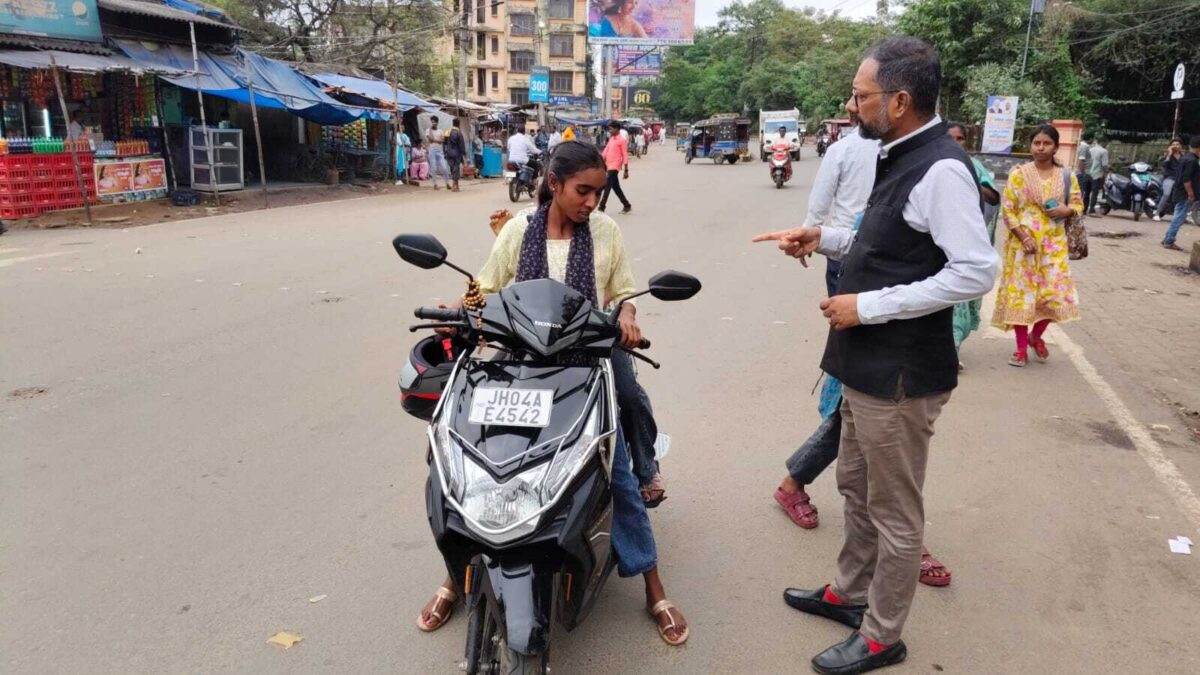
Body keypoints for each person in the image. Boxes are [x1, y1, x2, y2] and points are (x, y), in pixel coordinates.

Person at [753, 37, 999, 674]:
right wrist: (823, 236)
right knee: (855, 486)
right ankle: (850, 594)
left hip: (900, 373)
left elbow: (975, 271)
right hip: (865, 366)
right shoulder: (897, 154)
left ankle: (883, 634)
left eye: (861, 95)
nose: (852, 105)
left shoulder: (942, 169)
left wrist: (868, 306)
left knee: (893, 511)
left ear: (900, 100)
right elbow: (888, 240)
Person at [415, 141, 688, 646]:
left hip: (587, 357)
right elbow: (486, 285)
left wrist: (628, 317)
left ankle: (654, 585)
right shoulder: (519, 229)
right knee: (470, 463)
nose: (591, 201)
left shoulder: (605, 230)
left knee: (617, 467)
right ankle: (455, 577)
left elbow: (623, 293)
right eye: (582, 191)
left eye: (598, 192)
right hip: (520, 362)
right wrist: (453, 312)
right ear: (555, 184)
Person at [990, 124, 1083, 366]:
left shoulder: (1067, 176)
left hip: (1054, 245)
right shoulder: (1019, 174)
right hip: (1023, 247)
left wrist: (1066, 210)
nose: (1041, 148)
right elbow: (1008, 210)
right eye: (1036, 143)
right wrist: (1024, 237)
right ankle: (1021, 349)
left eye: (1046, 143)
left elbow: (1077, 204)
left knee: (1056, 296)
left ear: (1056, 147)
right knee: (1021, 296)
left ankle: (1036, 336)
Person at [946, 121, 1001, 367]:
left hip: (966, 243)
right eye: (951, 138)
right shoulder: (932, 163)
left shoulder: (974, 166)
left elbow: (994, 197)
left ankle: (953, 347)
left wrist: (970, 183)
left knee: (961, 300)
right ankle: (948, 350)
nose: (955, 143)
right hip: (937, 244)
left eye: (960, 139)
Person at [1162, 135, 1200, 251]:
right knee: (1179, 217)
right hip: (1184, 193)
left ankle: (1167, 238)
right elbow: (1186, 179)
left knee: (1178, 216)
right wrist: (1190, 194)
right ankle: (1169, 241)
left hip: (1179, 190)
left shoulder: (1185, 157)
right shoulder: (1192, 161)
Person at [599, 121, 632, 213]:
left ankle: (601, 207)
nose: (609, 131)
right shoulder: (611, 139)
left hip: (615, 166)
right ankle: (626, 205)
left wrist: (626, 169)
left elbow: (625, 154)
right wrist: (600, 160)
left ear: (617, 129)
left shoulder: (622, 140)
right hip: (608, 165)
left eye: (611, 129)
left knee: (607, 186)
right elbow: (605, 151)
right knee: (616, 187)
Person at [1155, 138, 1184, 222]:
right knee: (1166, 194)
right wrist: (1169, 154)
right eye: (1173, 144)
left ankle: (1181, 215)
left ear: (1181, 146)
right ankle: (1157, 213)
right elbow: (1164, 165)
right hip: (1169, 178)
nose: (1175, 146)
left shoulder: (1184, 157)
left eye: (1177, 144)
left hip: (1180, 179)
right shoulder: (1167, 156)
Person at [1085, 134, 1110, 215]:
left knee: (1087, 192)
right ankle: (1091, 209)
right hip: (1097, 174)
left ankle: (1084, 209)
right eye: (1106, 142)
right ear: (1103, 142)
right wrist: (1107, 172)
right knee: (1094, 193)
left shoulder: (1090, 149)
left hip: (1087, 173)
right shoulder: (1104, 151)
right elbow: (1104, 165)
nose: (1107, 144)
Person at [425, 117, 452, 190]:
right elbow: (430, 139)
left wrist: (436, 140)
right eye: (432, 122)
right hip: (432, 151)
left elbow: (443, 140)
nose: (433, 123)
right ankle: (435, 184)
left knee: (444, 168)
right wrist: (431, 129)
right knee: (433, 168)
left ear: (437, 122)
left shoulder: (440, 131)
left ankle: (447, 183)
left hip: (440, 151)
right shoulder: (428, 130)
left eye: (434, 122)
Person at [1075, 131, 1094, 215]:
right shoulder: (1084, 147)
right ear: (1090, 139)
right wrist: (1083, 173)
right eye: (1092, 139)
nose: (1093, 140)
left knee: (1084, 192)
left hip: (1085, 173)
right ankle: (1078, 210)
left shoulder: (1084, 146)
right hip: (1083, 174)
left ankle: (1081, 210)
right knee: (1082, 193)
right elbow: (1081, 161)